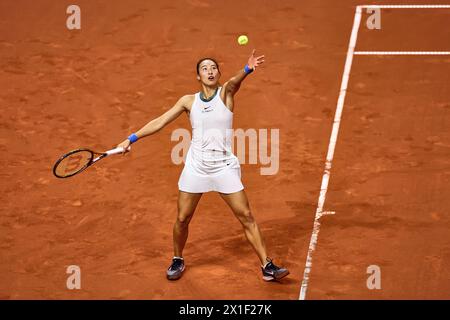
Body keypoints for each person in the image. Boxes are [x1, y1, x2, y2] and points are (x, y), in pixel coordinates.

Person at [116, 50, 289, 282]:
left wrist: (247, 69)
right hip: (196, 167)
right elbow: (161, 120)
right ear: (198, 76)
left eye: (213, 68)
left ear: (219, 73)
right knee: (182, 219)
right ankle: (178, 258)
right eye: (204, 68)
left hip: (224, 167)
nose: (210, 71)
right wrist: (131, 139)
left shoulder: (226, 93)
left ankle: (267, 267)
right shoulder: (188, 101)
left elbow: (235, 81)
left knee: (246, 215)